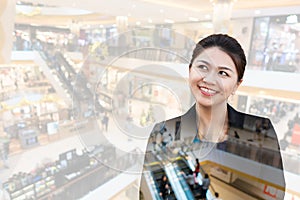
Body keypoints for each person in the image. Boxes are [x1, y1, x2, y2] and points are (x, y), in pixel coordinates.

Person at [141, 34, 285, 199]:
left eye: (223, 73)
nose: (209, 79)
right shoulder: (163, 129)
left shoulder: (261, 129)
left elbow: (276, 194)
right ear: (189, 70)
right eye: (202, 67)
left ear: (237, 84)